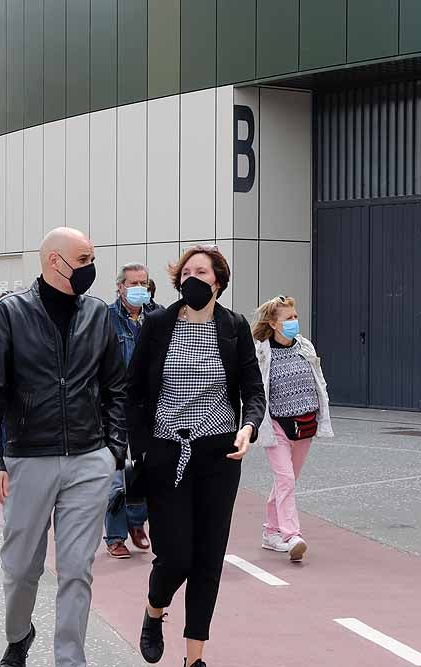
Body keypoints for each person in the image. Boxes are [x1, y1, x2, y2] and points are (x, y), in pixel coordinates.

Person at [0, 227, 127, 667]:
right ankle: (19, 636)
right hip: (28, 456)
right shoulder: (12, 312)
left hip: (89, 458)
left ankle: (69, 659)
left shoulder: (98, 314)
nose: (90, 268)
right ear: (53, 262)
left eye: (91, 258)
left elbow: (116, 385)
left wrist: (114, 449)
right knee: (22, 567)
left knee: (78, 569)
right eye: (83, 260)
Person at [126, 245, 266, 667]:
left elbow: (253, 391)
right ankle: (155, 608)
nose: (192, 278)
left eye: (201, 272)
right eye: (186, 271)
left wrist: (248, 427)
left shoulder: (235, 327)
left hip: (219, 455)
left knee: (208, 559)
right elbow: (133, 393)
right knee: (176, 557)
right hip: (168, 453)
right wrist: (142, 450)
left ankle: (194, 658)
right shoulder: (157, 324)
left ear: (218, 282)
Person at [253, 295, 334, 562]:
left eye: (295, 317)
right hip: (277, 424)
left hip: (305, 425)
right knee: (285, 479)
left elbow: (319, 381)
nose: (294, 322)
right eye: (288, 318)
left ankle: (270, 531)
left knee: (286, 480)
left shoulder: (305, 346)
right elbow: (255, 388)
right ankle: (291, 535)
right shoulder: (262, 352)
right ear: (273, 324)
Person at [103, 263, 158, 560]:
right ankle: (115, 536)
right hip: (116, 406)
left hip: (150, 407)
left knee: (144, 470)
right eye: (133, 283)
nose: (140, 288)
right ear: (121, 287)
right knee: (116, 473)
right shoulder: (107, 318)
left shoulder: (157, 315)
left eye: (144, 283)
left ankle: (137, 522)